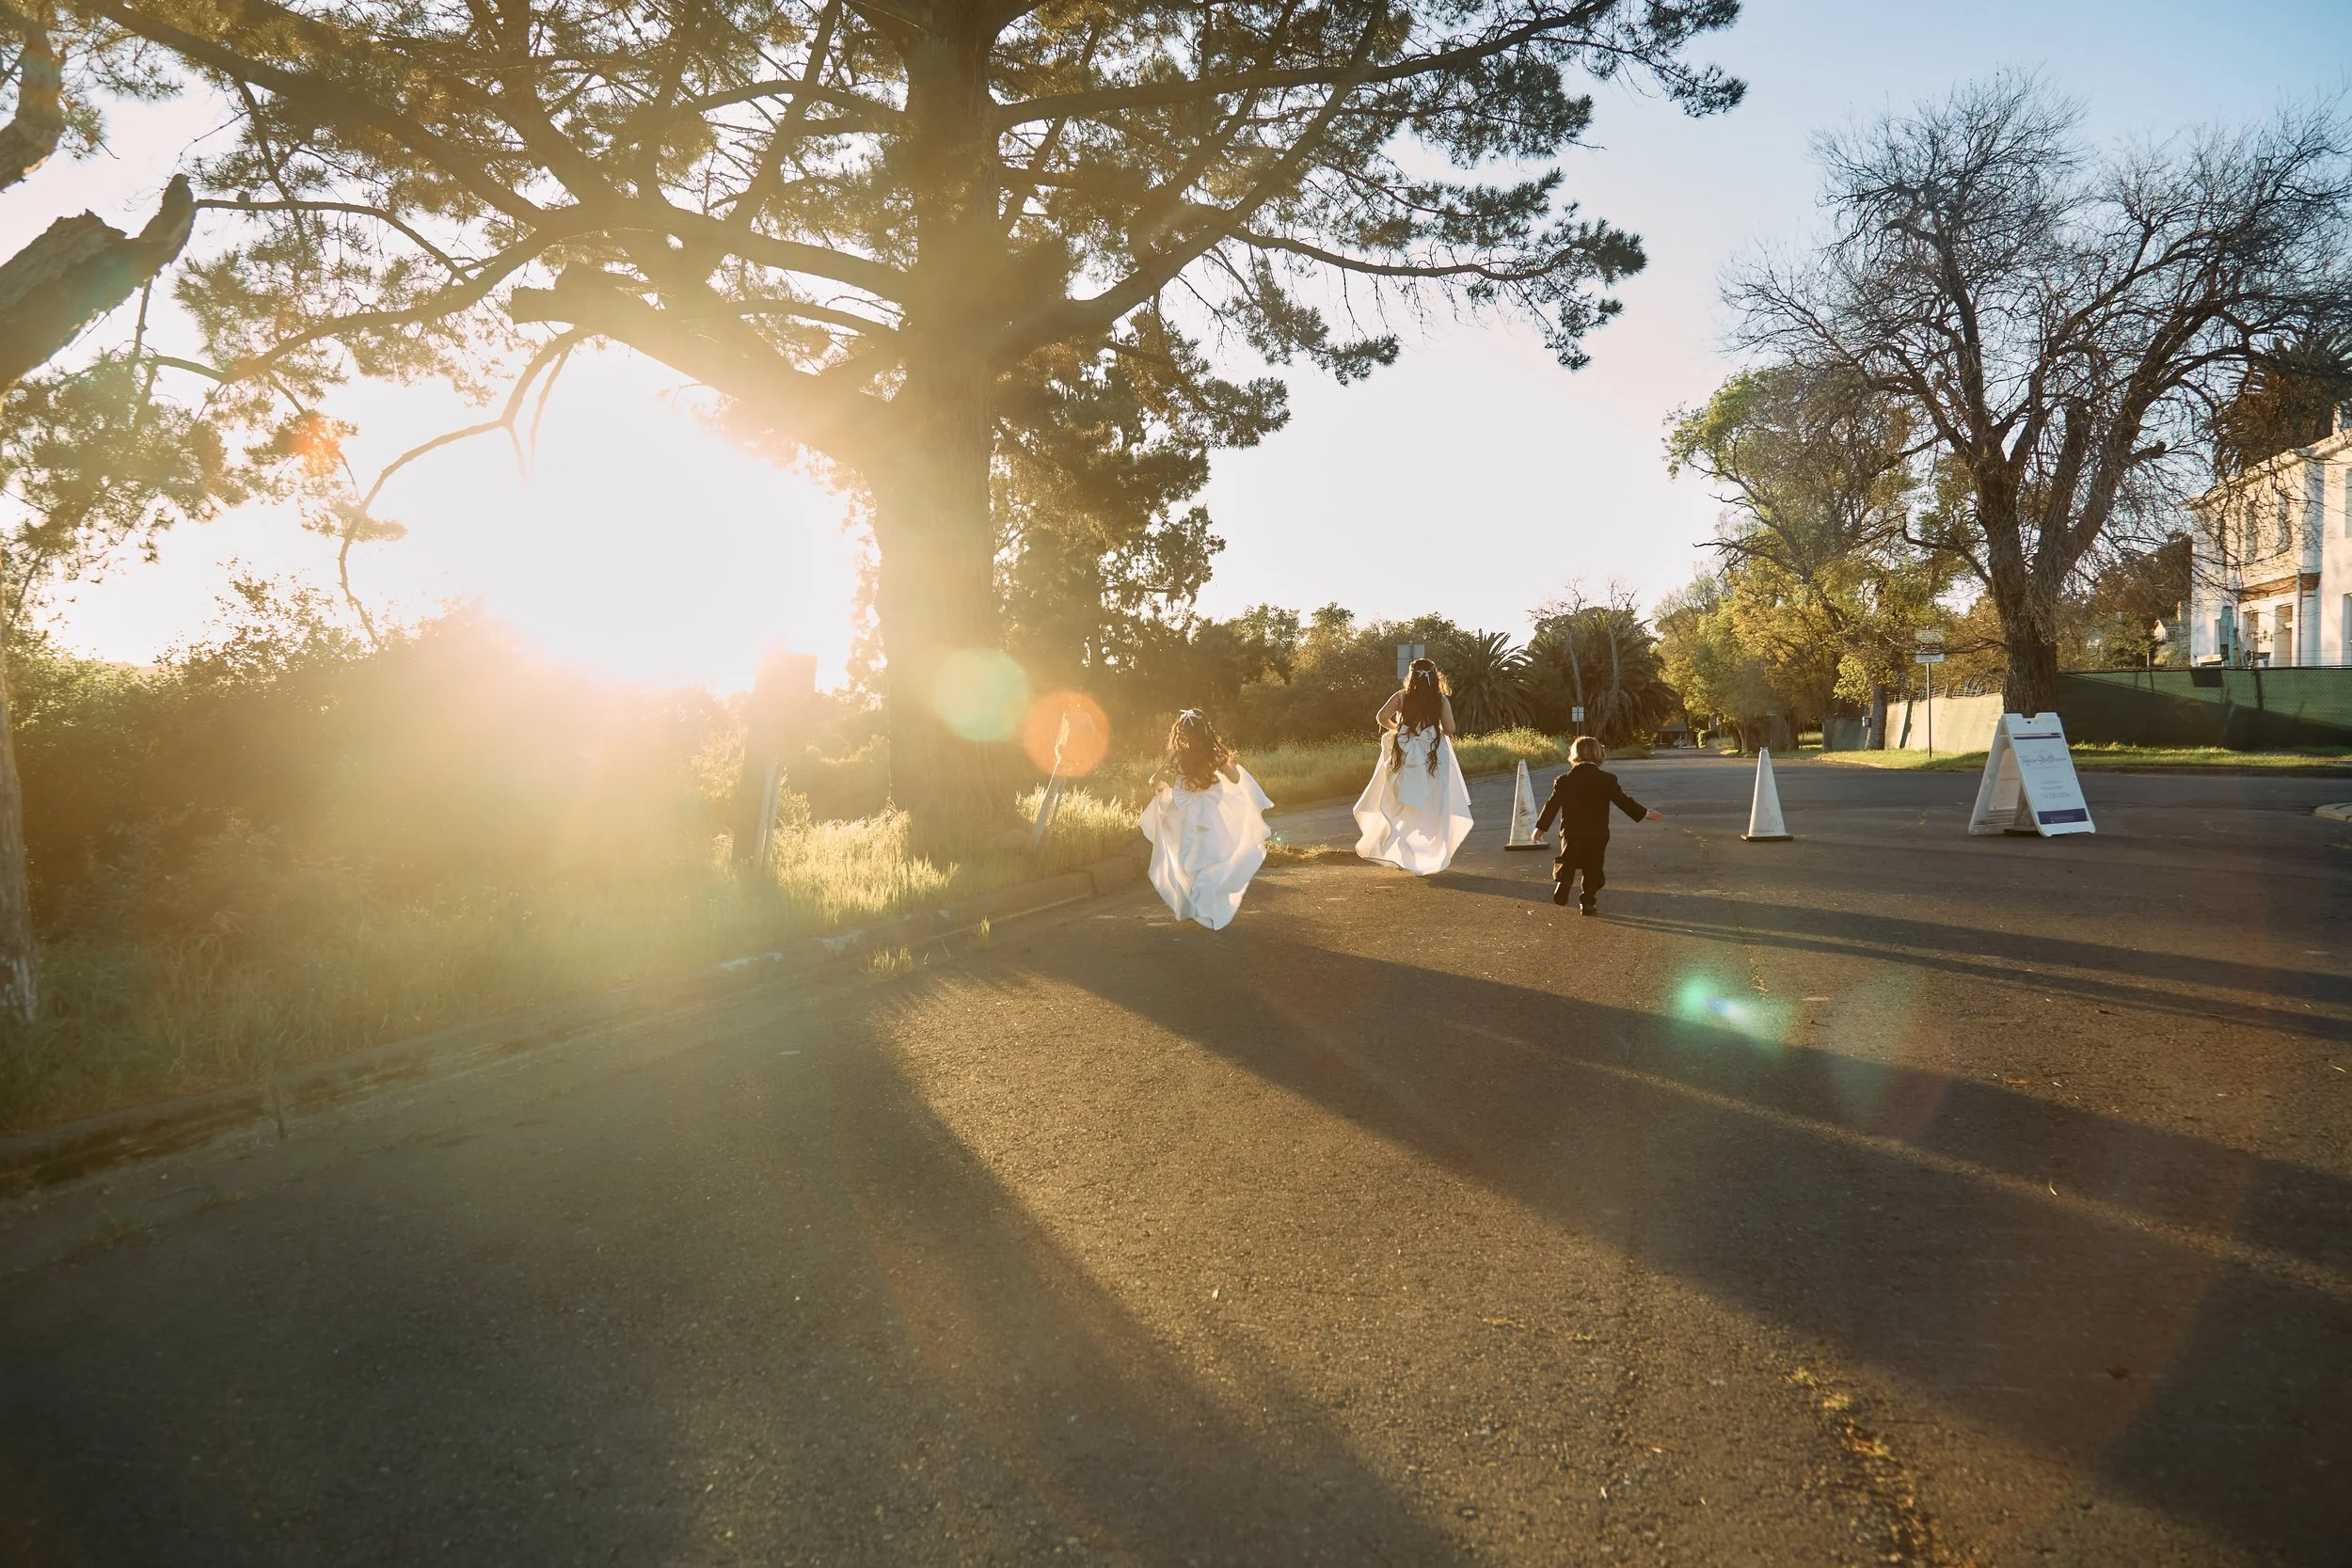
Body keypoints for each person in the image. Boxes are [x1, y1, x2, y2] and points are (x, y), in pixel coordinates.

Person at [1138, 709, 1274, 930]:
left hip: (1183, 812)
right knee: (1211, 855)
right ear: (1204, 731)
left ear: (1181, 733)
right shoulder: (1214, 755)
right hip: (1210, 813)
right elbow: (1236, 778)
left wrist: (1163, 787)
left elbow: (1154, 779)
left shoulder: (1175, 757)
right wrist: (1227, 763)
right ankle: (1205, 901)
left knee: (1184, 855)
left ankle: (1190, 903)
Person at [1353, 657, 1473, 875]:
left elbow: (1381, 717)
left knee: (1400, 804)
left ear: (1412, 676)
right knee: (1434, 805)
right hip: (1432, 758)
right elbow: (1450, 729)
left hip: (1405, 755)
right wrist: (1431, 731)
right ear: (1434, 677)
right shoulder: (1440, 700)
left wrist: (1399, 729)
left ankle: (1402, 852)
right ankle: (1432, 854)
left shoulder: (1401, 697)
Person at [1534, 735, 1662, 915]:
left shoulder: (1564, 780)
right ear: (1600, 755)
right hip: (1597, 834)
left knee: (1568, 859)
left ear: (1573, 755)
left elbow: (1551, 805)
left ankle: (1564, 880)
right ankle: (1587, 903)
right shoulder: (1607, 780)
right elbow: (1623, 801)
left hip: (1571, 833)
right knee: (1593, 867)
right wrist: (1646, 813)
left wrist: (1540, 828)